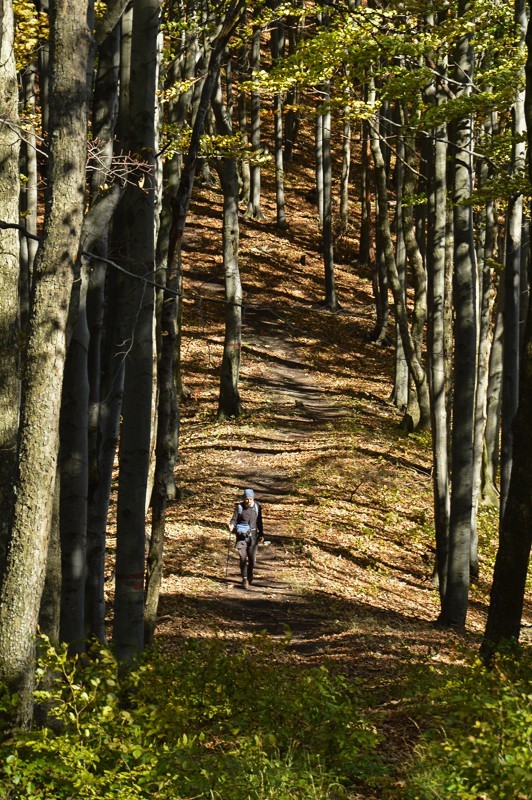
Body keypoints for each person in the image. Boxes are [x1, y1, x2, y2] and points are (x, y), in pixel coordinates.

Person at [228, 489, 264, 589]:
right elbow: (234, 519)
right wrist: (231, 525)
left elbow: (259, 521)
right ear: (244, 499)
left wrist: (261, 533)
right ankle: (244, 579)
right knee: (242, 557)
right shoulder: (239, 507)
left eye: (250, 499)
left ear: (253, 498)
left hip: (253, 536)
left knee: (252, 559)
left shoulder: (257, 507)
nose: (248, 501)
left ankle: (250, 574)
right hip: (241, 536)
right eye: (246, 499)